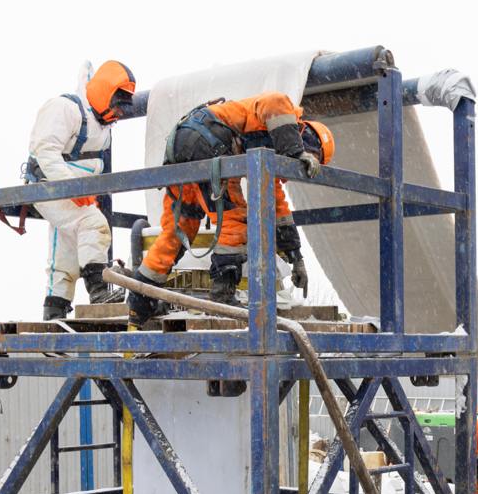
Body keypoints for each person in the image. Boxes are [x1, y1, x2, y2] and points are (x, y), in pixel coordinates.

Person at [125, 92, 335, 323]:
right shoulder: (283, 111)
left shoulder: (270, 152)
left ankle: (140, 302)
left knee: (179, 231)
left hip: (183, 146)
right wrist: (297, 152)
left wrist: (296, 258)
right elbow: (274, 101)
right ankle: (222, 296)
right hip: (208, 142)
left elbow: (279, 209)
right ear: (306, 137)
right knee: (235, 222)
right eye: (311, 157)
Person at [27, 61, 137, 320]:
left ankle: (54, 311)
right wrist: (70, 187)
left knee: (64, 254)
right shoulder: (65, 108)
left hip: (76, 193)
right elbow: (46, 151)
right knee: (93, 224)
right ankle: (98, 290)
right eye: (117, 104)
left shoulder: (102, 125)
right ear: (105, 93)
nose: (118, 113)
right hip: (50, 186)